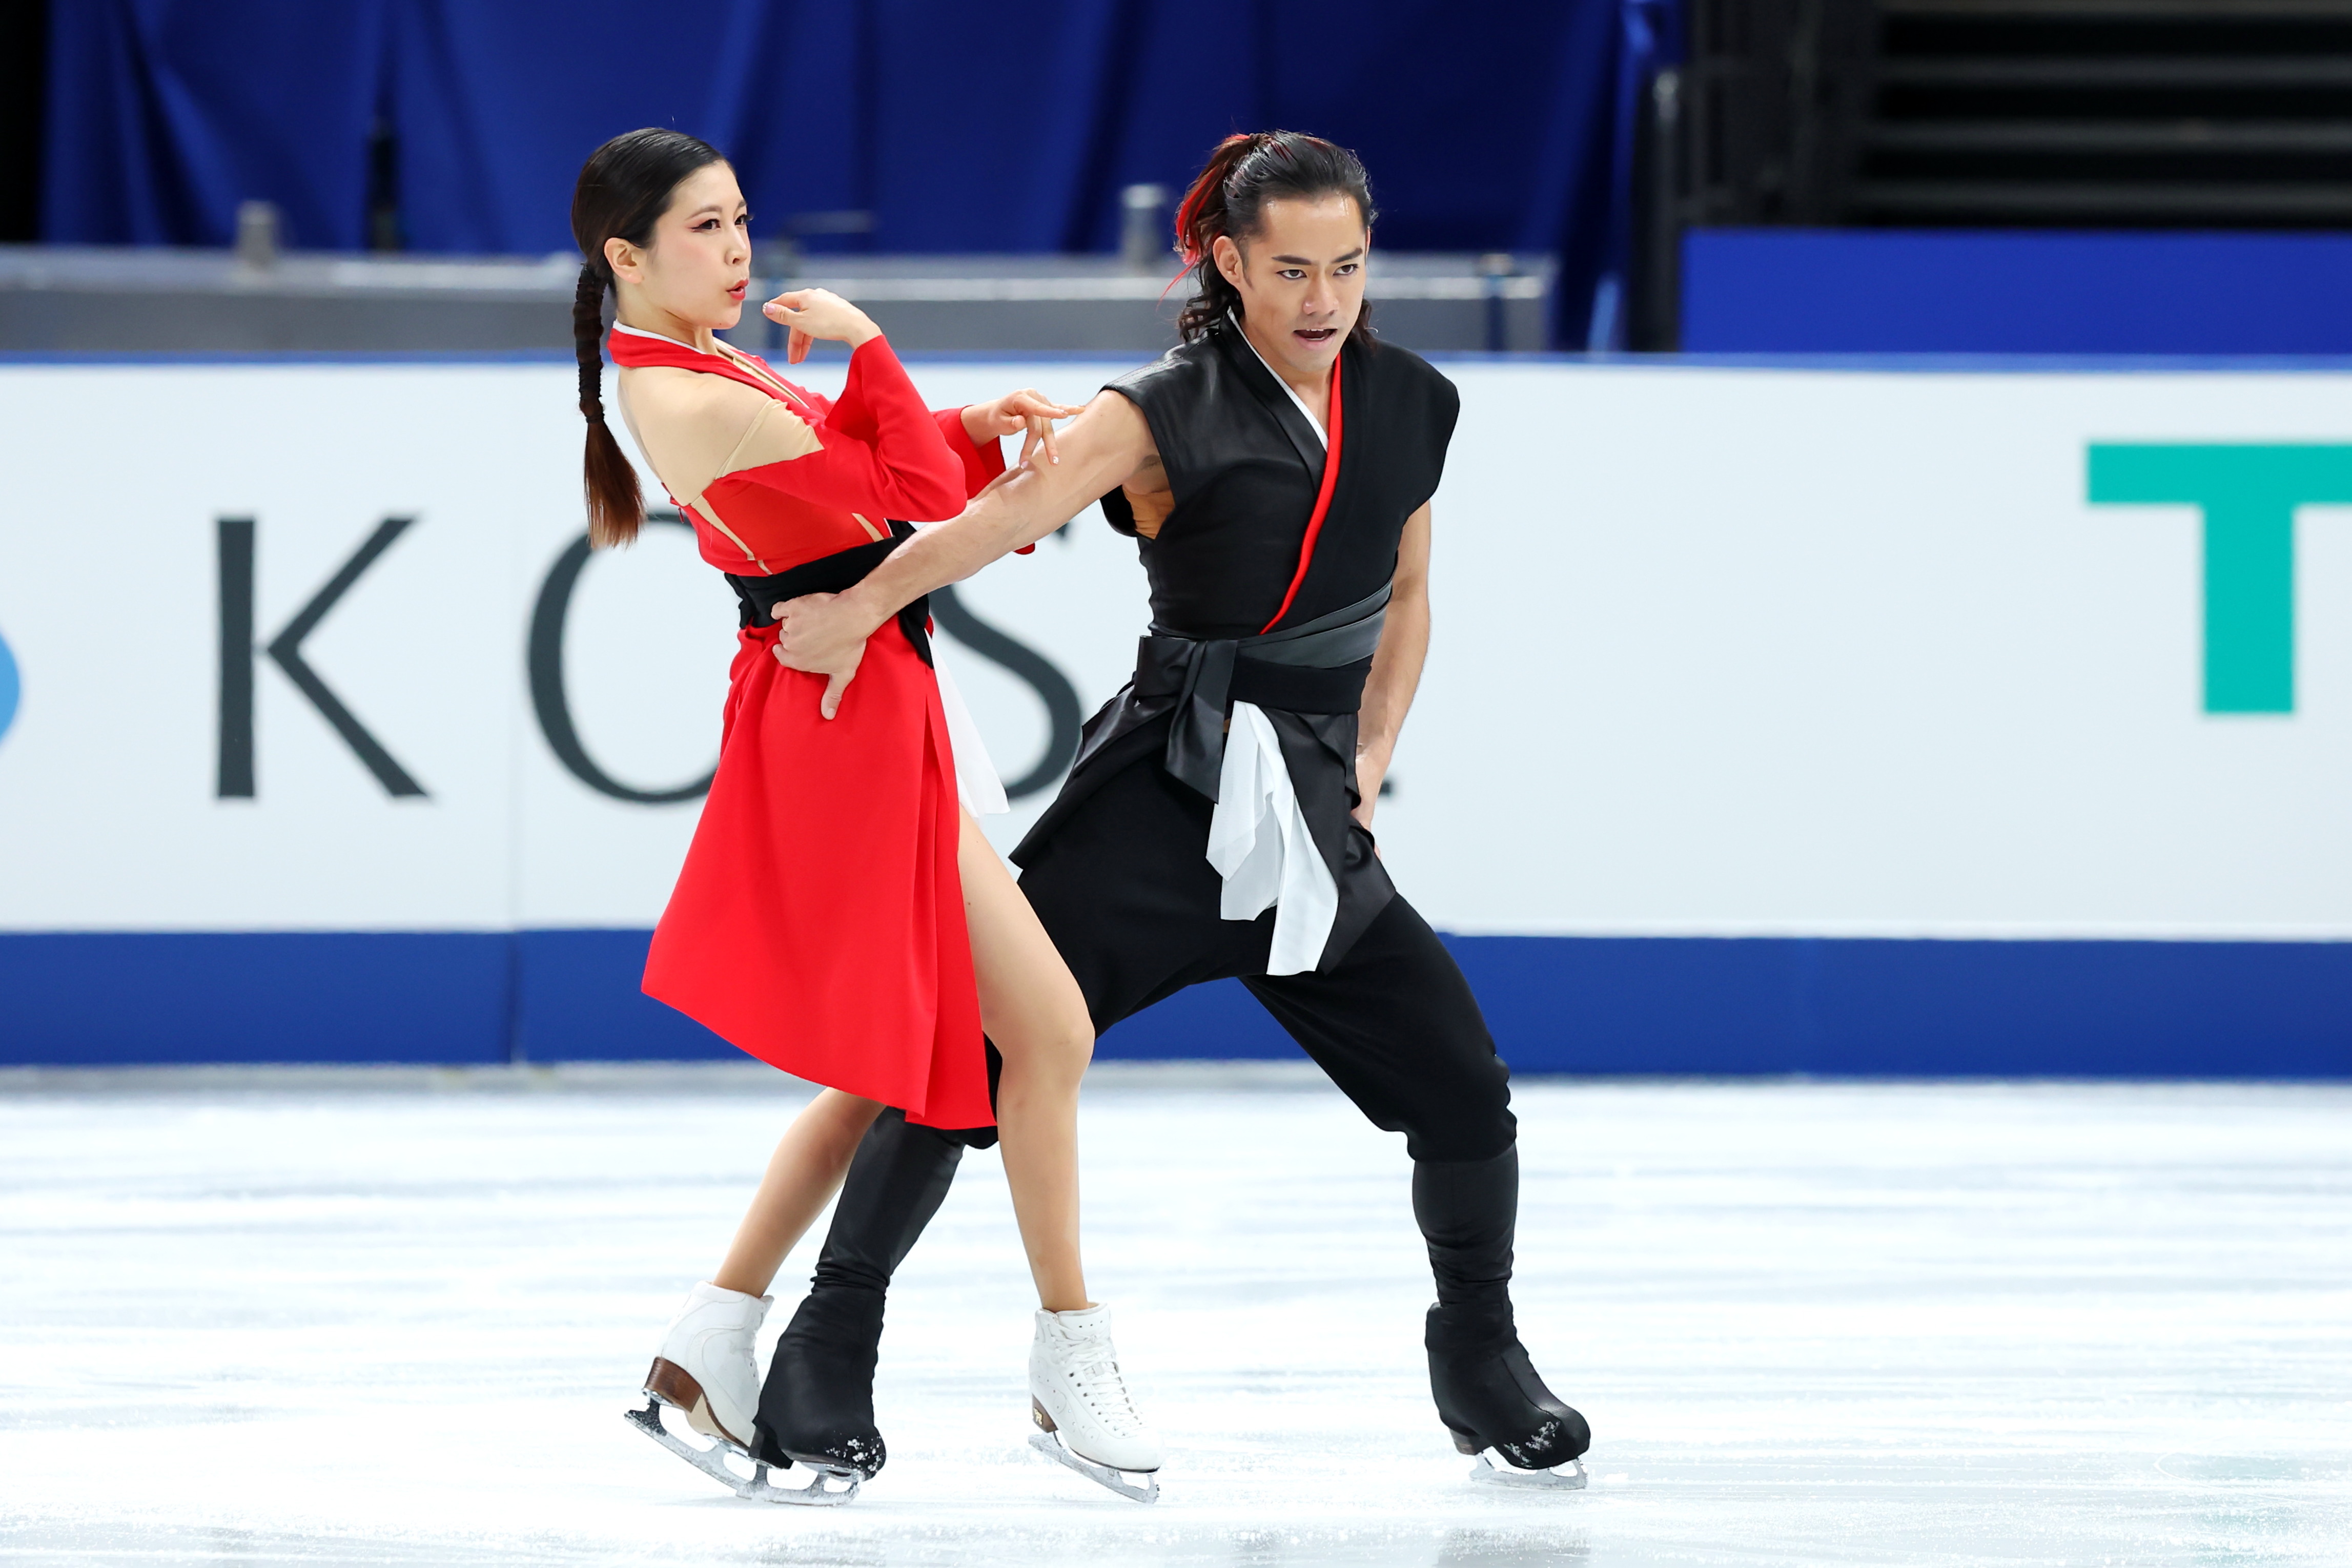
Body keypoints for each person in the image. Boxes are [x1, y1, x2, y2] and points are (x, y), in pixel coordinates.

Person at [763, 130, 1592, 1489]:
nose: (1324, 298)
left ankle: (1480, 1355)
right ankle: (827, 1346)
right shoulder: (1156, 407)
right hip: (1163, 796)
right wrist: (859, 607)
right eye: (1291, 270)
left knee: (1463, 1087)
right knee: (967, 1064)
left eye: (1347, 266)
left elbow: (1411, 590)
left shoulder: (1414, 402)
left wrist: (1369, 758)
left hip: (1310, 826)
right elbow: (990, 523)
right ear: (1226, 260)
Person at [564, 128, 1160, 1506]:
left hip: (872, 707)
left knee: (915, 1063)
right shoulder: (690, 394)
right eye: (705, 229)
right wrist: (881, 353)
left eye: (740, 219)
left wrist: (955, 430)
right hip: (852, 730)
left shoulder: (708, 365)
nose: (737, 250)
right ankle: (1069, 1355)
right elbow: (897, 514)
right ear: (626, 257)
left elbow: (882, 494)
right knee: (1038, 1031)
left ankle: (712, 1333)